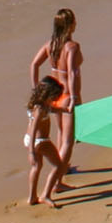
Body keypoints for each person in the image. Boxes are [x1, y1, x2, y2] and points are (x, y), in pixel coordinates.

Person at [28, 9, 83, 170]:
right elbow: (72, 72)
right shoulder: (72, 47)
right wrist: (73, 97)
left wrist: (36, 89)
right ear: (70, 25)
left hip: (54, 95)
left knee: (60, 132)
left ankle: (62, 169)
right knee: (68, 140)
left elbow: (34, 65)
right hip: (67, 94)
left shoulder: (50, 45)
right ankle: (59, 177)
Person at [23, 77, 70, 207]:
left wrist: (63, 110)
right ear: (48, 94)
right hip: (40, 141)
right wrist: (31, 152)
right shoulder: (40, 109)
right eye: (54, 96)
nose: (55, 99)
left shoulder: (37, 104)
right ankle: (45, 195)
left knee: (36, 166)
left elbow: (52, 110)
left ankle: (32, 197)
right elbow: (34, 129)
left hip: (29, 139)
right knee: (58, 166)